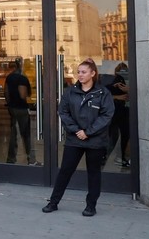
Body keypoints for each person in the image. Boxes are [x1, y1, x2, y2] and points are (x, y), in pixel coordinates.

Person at [42, 58, 114, 217]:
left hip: (95, 140)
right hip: (75, 139)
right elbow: (63, 112)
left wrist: (88, 132)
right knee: (65, 171)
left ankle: (91, 206)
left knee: (94, 173)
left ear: (93, 73)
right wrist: (76, 130)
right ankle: (53, 202)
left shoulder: (103, 93)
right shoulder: (70, 92)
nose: (80, 75)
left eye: (83, 72)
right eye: (78, 72)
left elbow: (106, 115)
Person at [5, 58, 36, 165]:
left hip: (12, 108)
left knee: (13, 134)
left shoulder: (9, 78)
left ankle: (11, 158)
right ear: (21, 65)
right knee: (26, 134)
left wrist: (9, 105)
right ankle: (31, 159)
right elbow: (23, 95)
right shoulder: (22, 79)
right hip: (21, 108)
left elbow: (6, 93)